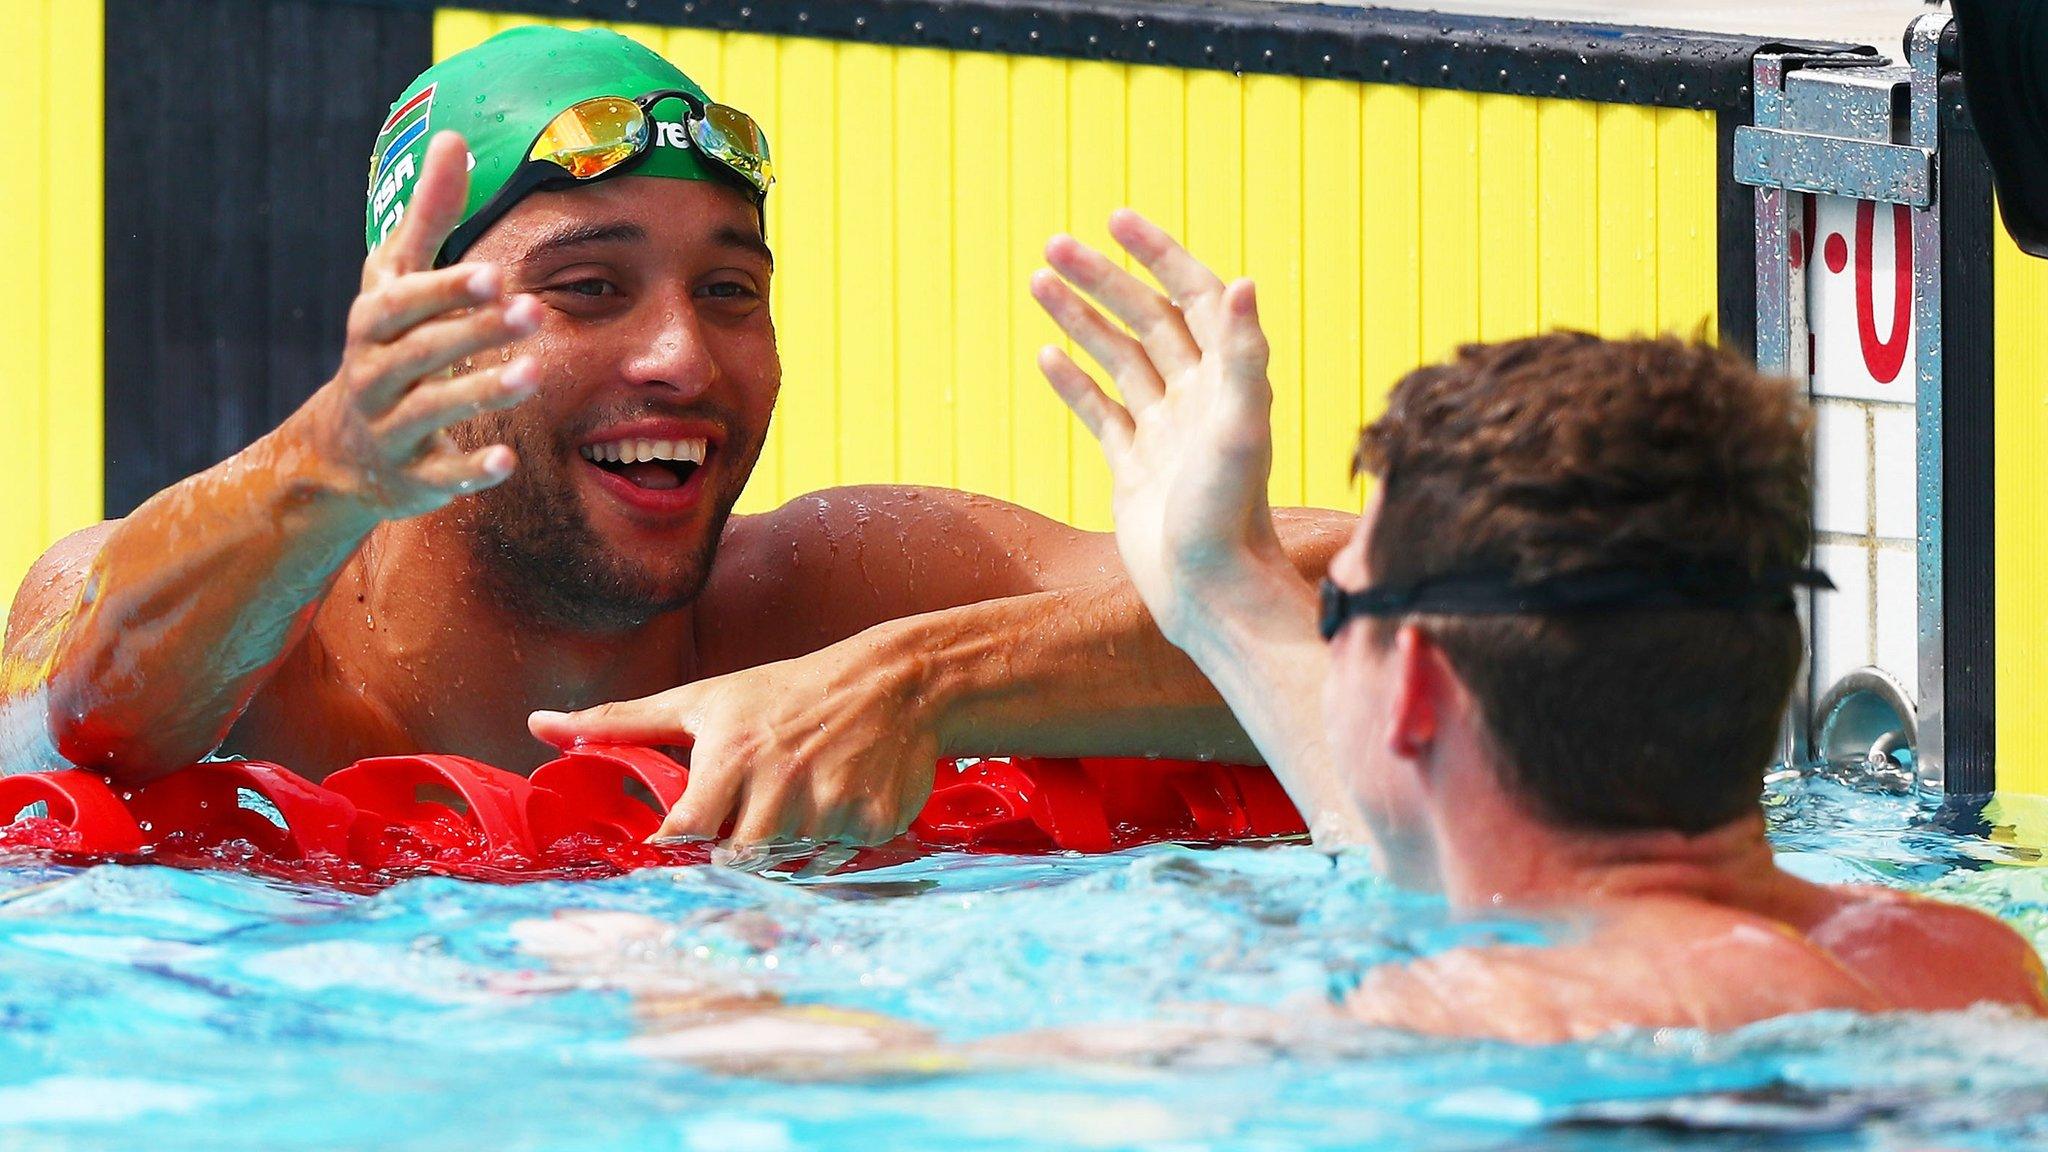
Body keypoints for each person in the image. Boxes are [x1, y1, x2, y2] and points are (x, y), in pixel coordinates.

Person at [0, 27, 1353, 851]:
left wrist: (925, 681)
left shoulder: (841, 604)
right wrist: (318, 467)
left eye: (730, 292)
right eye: (589, 288)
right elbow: (94, 710)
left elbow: (1442, 601)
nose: (681, 356)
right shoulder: (262, 656)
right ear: (407, 326)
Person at [1025, 210, 2048, 1039]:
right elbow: (1433, 832)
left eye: (1337, 609)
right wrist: (1216, 593)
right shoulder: (1966, 963)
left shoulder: (1485, 1021)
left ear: (1416, 688)